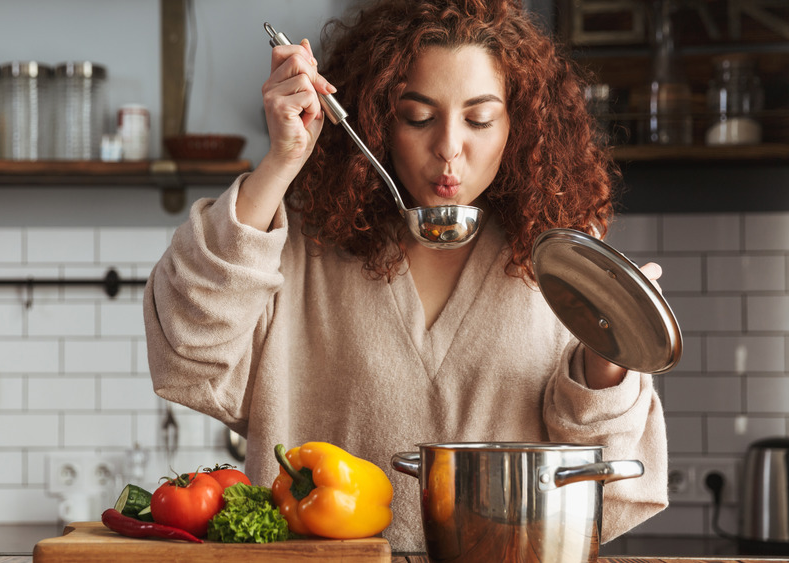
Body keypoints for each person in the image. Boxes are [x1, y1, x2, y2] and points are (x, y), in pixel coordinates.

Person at [144, 0, 667, 552]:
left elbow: (603, 472)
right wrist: (280, 163)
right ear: (376, 119)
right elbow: (188, 348)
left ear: (520, 124)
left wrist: (609, 359)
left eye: (480, 119)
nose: (448, 148)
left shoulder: (561, 258)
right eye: (417, 117)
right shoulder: (300, 245)